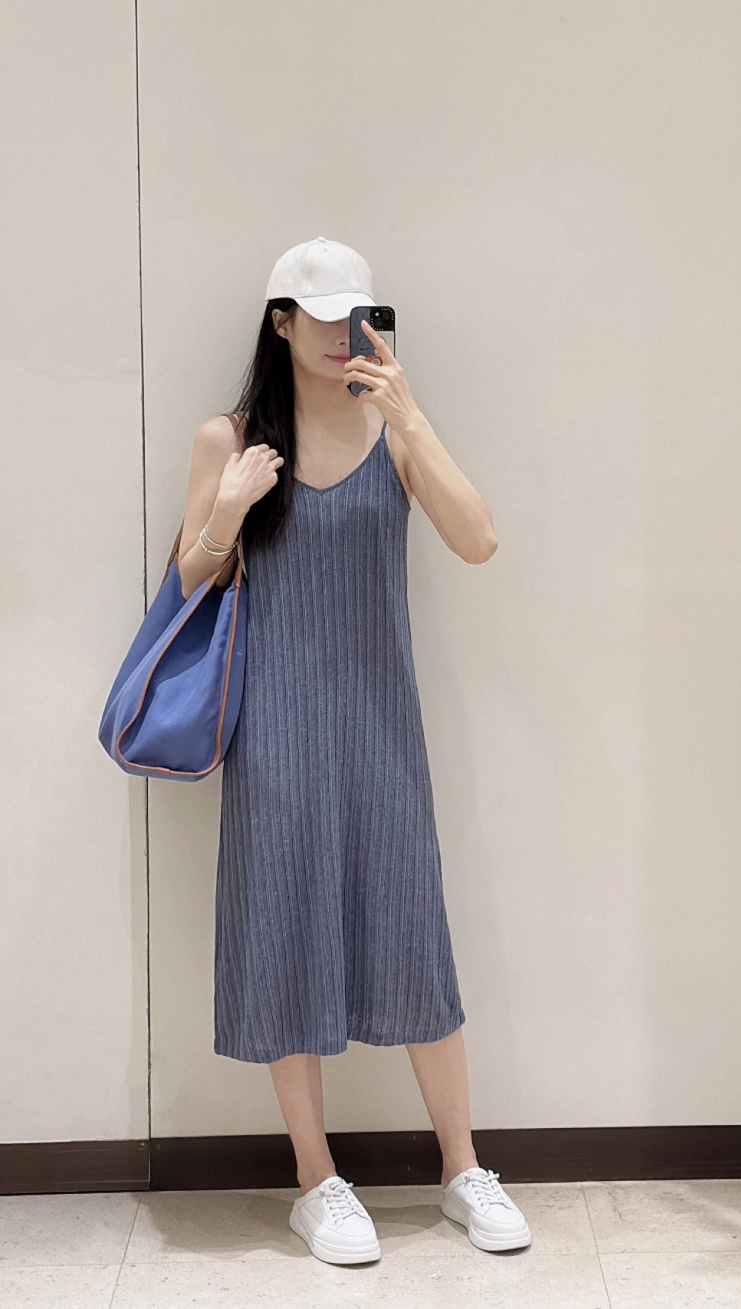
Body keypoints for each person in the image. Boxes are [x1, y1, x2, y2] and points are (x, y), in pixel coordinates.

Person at [175, 237, 531, 1264]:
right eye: (323, 316)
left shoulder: (393, 428)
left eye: (358, 315)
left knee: (412, 931)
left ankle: (462, 1165)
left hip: (383, 727)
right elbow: (187, 582)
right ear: (280, 321)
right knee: (287, 934)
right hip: (276, 730)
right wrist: (230, 506)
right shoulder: (230, 438)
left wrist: (411, 417)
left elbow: (480, 539)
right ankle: (316, 1178)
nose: (343, 334)